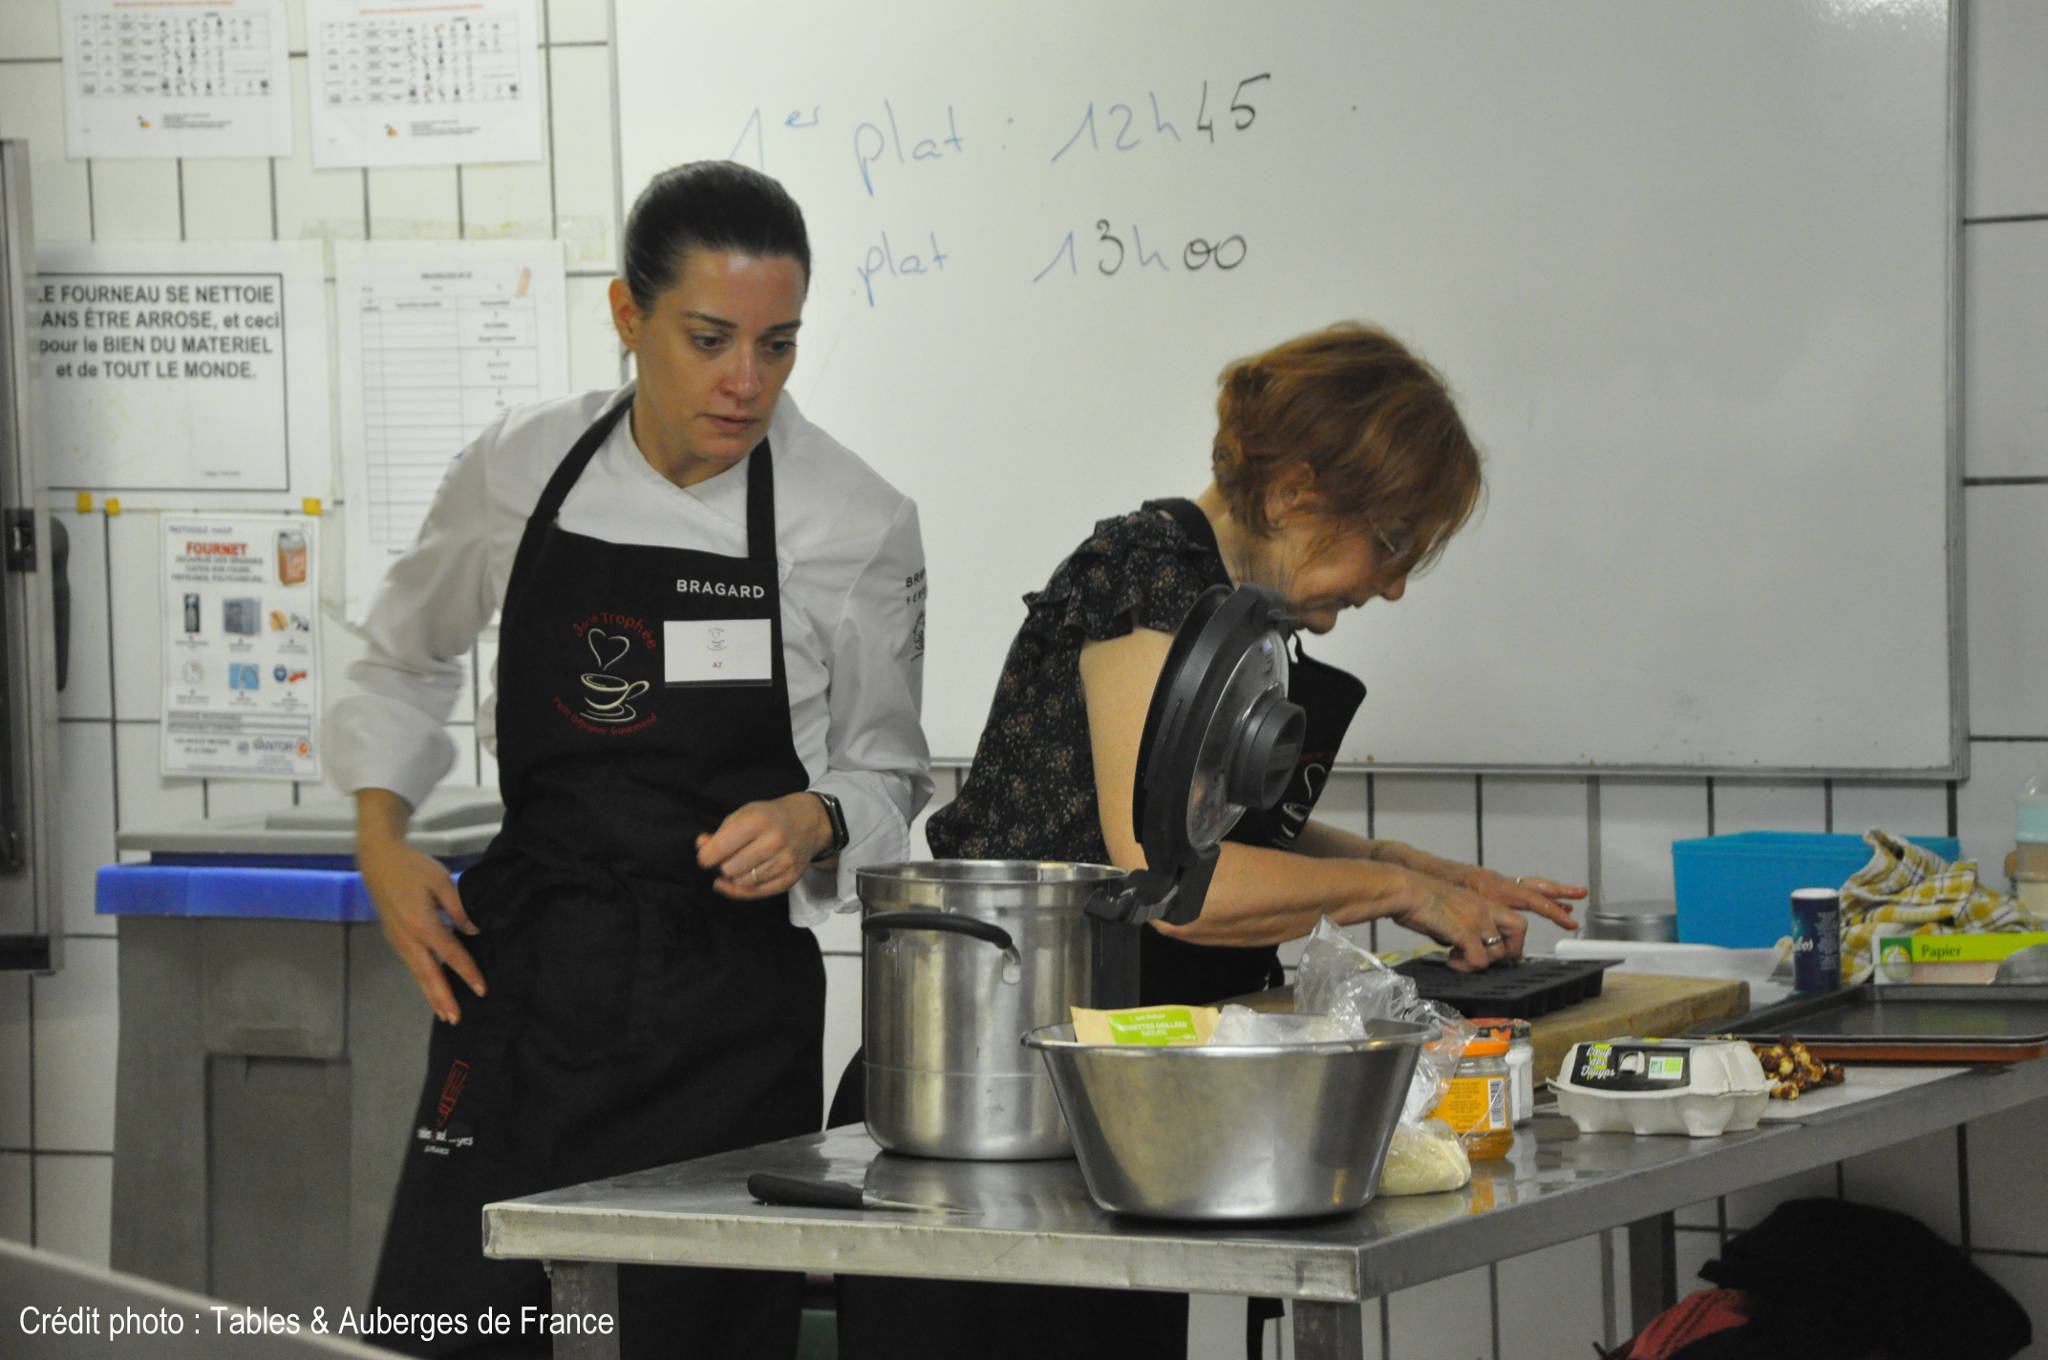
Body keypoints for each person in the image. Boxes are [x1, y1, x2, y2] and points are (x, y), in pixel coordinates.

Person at [836, 321, 1582, 1360]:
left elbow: (1201, 826)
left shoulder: (1232, 607)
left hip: (1103, 1099)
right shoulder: (1147, 577)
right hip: (989, 1087)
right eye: (1394, 539)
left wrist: (1422, 870)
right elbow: (1162, 876)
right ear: (1293, 495)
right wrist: (1390, 892)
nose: (1396, 581)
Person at [326, 161, 931, 1359]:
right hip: (528, 983)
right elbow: (398, 654)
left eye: (778, 345)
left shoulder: (852, 519)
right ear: (625, 315)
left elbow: (888, 772)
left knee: (677, 1338)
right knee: (464, 1325)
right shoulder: (519, 467)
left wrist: (813, 818)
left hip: (721, 1015)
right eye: (709, 339)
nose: (743, 381)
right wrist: (380, 837)